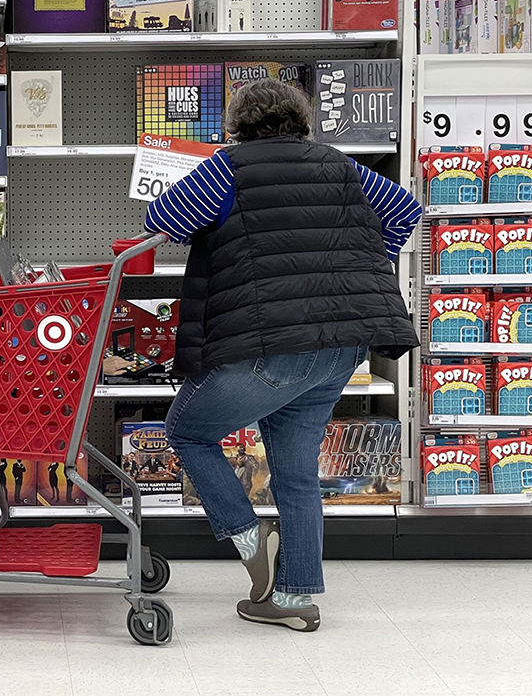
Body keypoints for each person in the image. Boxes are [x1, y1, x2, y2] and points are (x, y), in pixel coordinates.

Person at [144, 79, 420, 633]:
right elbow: (405, 210)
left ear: (236, 128)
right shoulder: (341, 167)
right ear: (302, 122)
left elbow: (161, 221)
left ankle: (252, 545)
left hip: (269, 346)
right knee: (296, 476)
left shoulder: (228, 168)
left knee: (189, 430)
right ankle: (294, 601)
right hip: (340, 348)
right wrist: (362, 263)